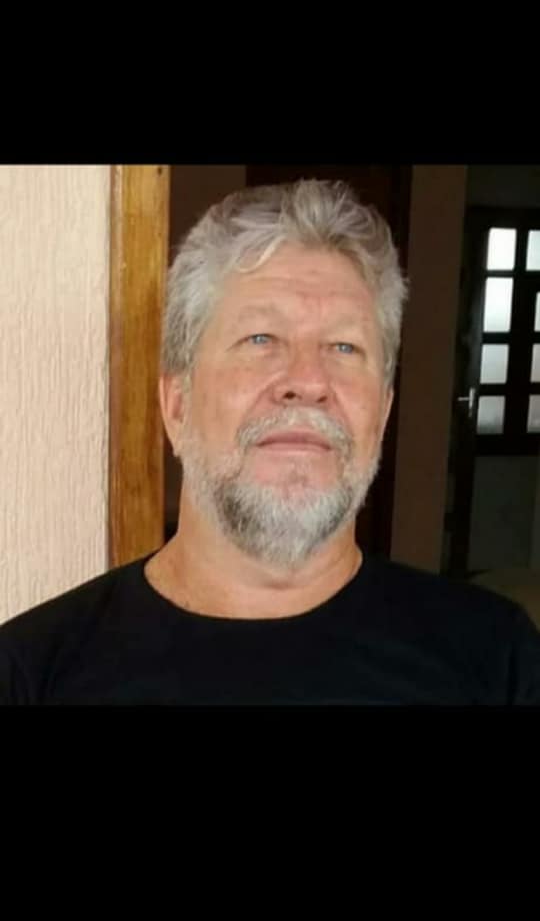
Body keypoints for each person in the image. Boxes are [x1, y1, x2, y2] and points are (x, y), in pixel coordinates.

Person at [1, 179, 539, 705]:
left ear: (382, 412)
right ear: (177, 405)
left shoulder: (496, 658)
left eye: (344, 347)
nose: (307, 381)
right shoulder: (30, 674)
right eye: (260, 338)